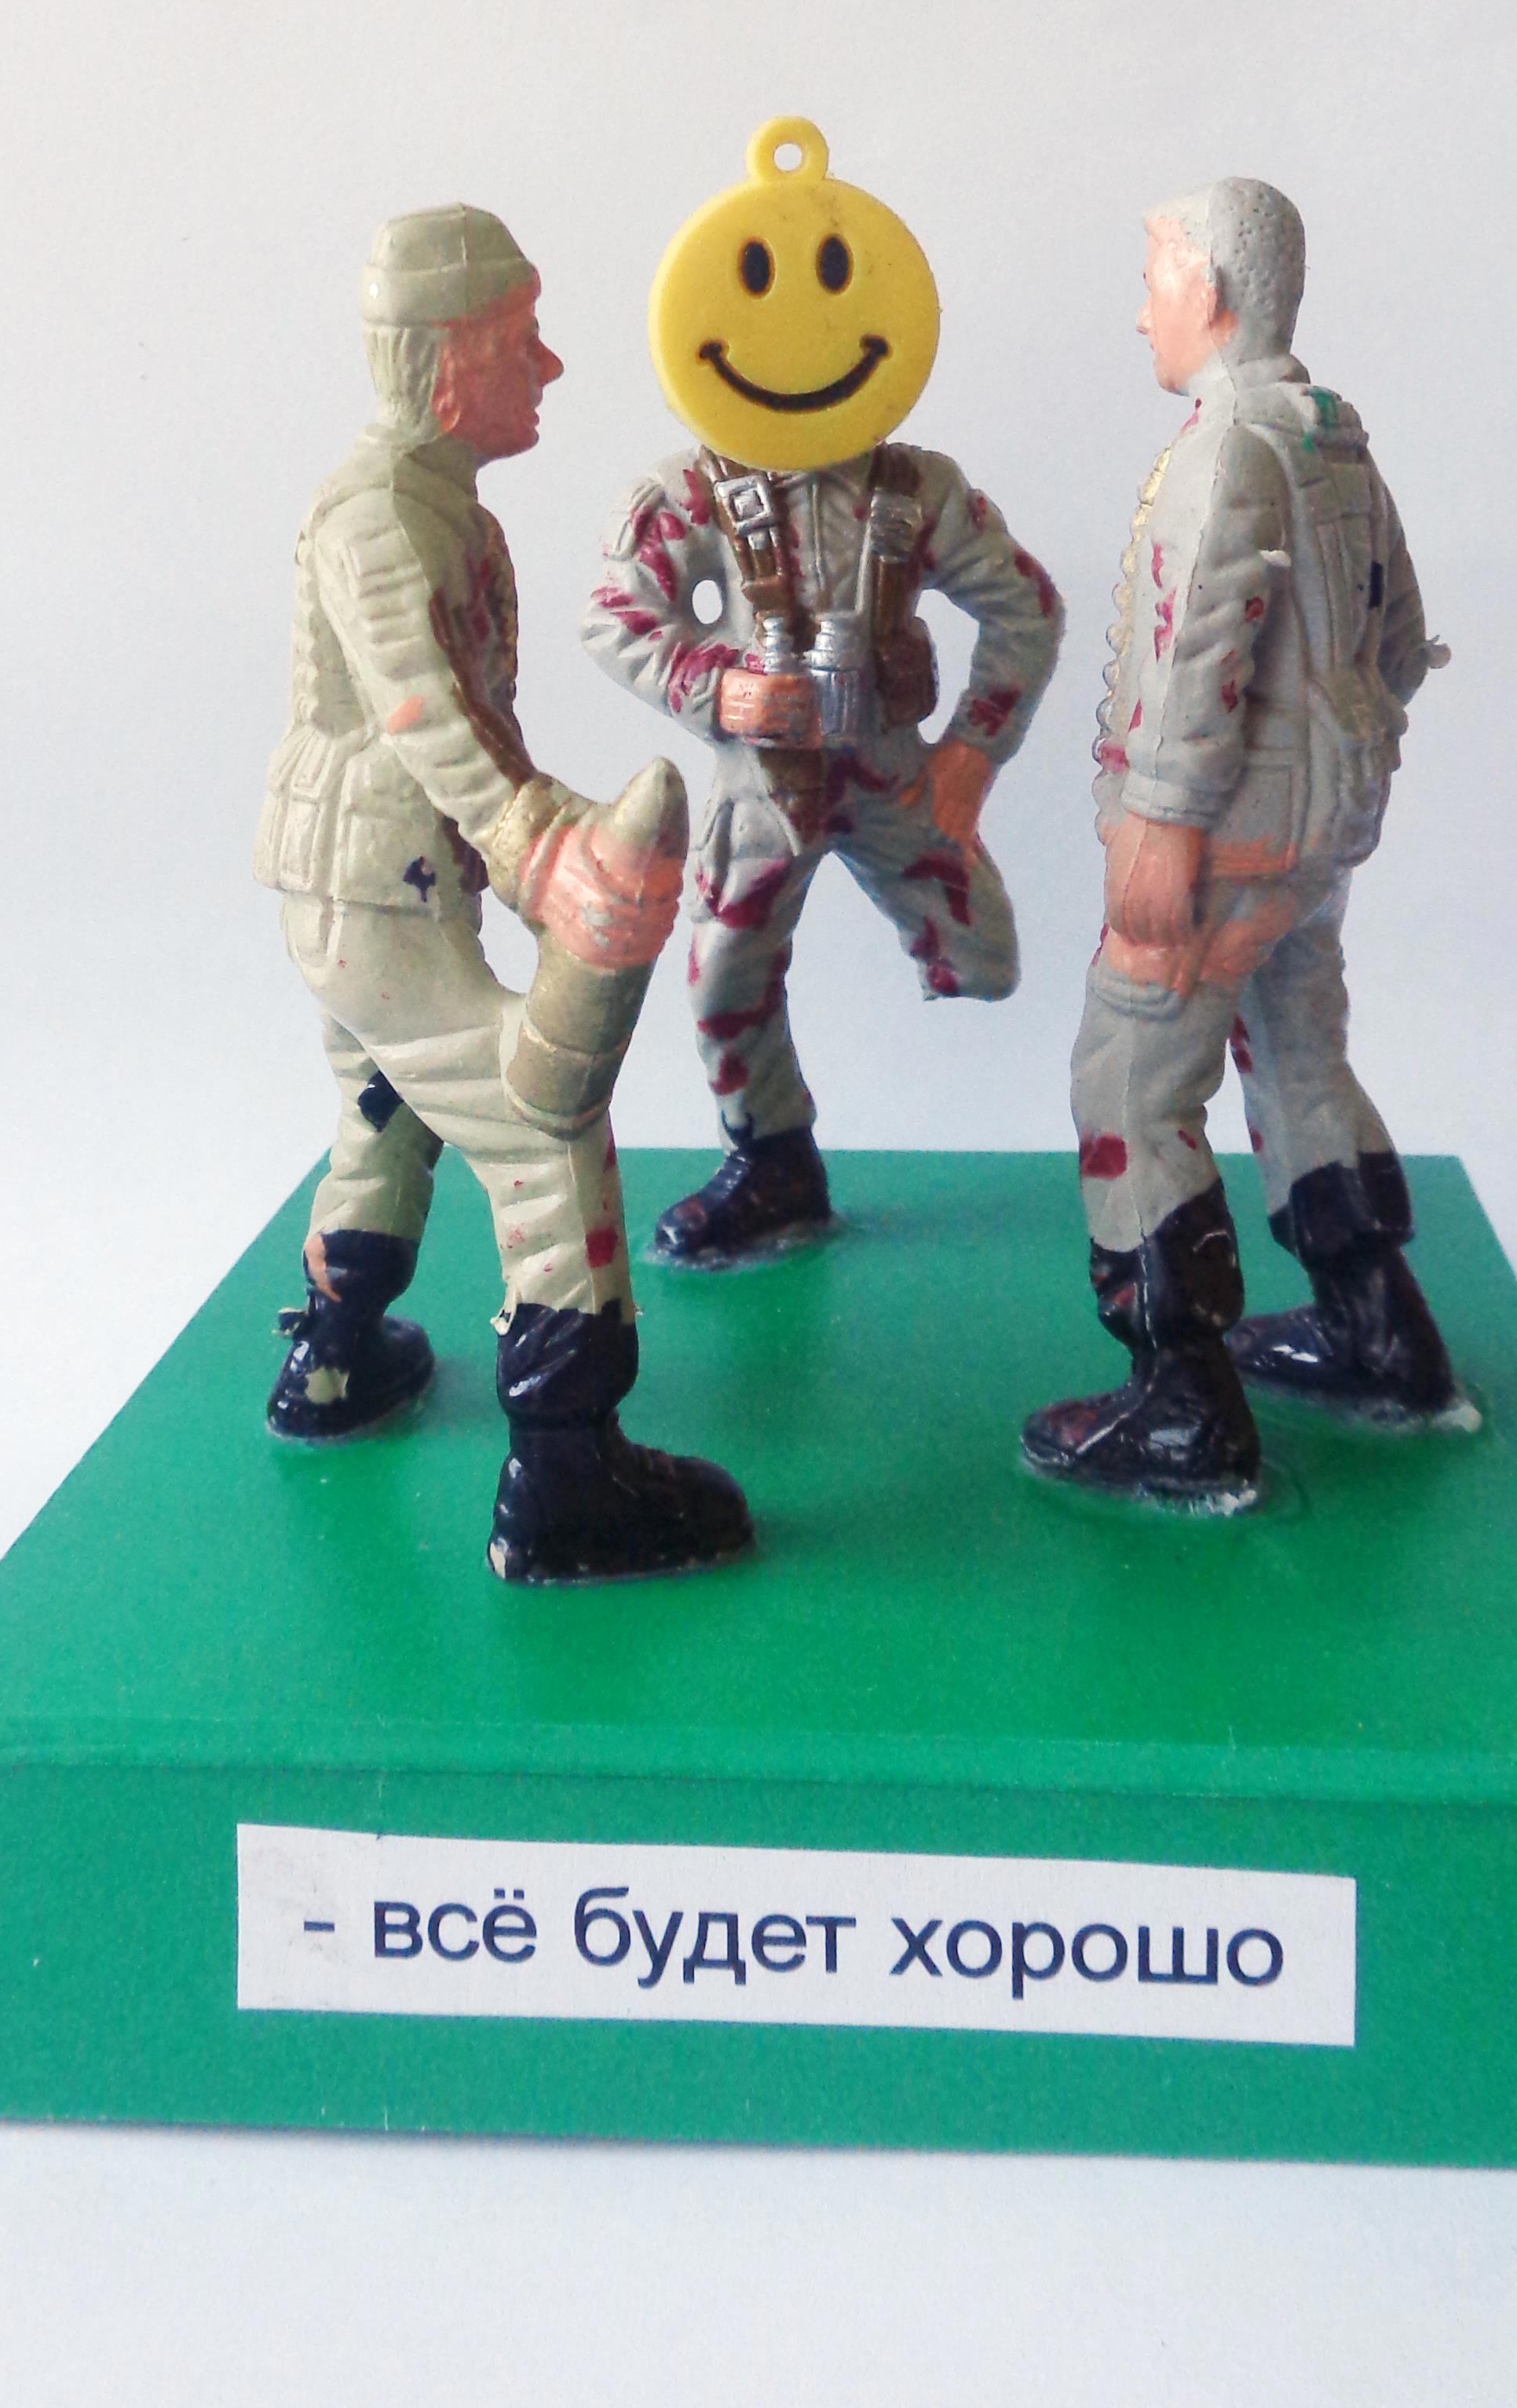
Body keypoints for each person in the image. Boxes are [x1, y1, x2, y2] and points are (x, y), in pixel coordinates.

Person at [254, 204, 751, 1582]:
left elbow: (477, 731)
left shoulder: (431, 507)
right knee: (541, 1127)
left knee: (389, 1106)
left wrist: (556, 833)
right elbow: (424, 715)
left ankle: (338, 1358)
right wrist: (543, 854)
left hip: (375, 882)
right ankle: (565, 1471)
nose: (549, 365)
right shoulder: (382, 521)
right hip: (376, 886)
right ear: (443, 361)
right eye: (519, 340)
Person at [1023, 179, 1457, 1507]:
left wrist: (1160, 826)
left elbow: (1189, 650)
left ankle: (1182, 1401)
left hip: (1221, 837)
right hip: (1321, 830)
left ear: (1207, 291)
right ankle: (1378, 1327)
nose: (1141, 312)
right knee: (1297, 1047)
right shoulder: (1335, 439)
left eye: (1154, 279)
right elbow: (1400, 636)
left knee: (1129, 1080)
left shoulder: (1222, 456)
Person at [579, 119, 1064, 1262]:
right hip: (765, 785)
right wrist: (723, 689)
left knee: (986, 957)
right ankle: (772, 1161)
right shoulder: (691, 494)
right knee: (722, 973)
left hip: (895, 775)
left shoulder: (919, 492)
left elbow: (1027, 608)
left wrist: (972, 752)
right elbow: (614, 617)